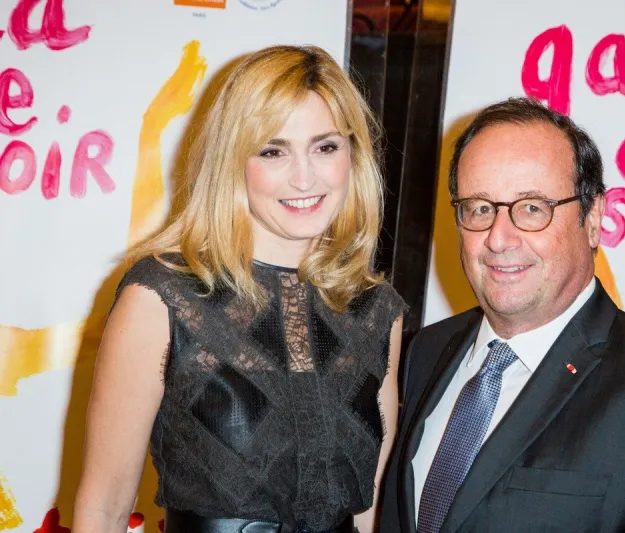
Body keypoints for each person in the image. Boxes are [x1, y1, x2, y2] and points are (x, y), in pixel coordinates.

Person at [379, 97, 625, 533]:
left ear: (593, 217)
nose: (499, 238)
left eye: (533, 208)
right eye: (480, 208)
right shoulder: (426, 352)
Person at [73, 45, 406, 533]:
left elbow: (372, 509)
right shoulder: (163, 298)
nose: (304, 176)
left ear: (351, 155)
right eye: (273, 151)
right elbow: (103, 509)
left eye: (325, 146)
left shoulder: (378, 312)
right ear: (233, 161)